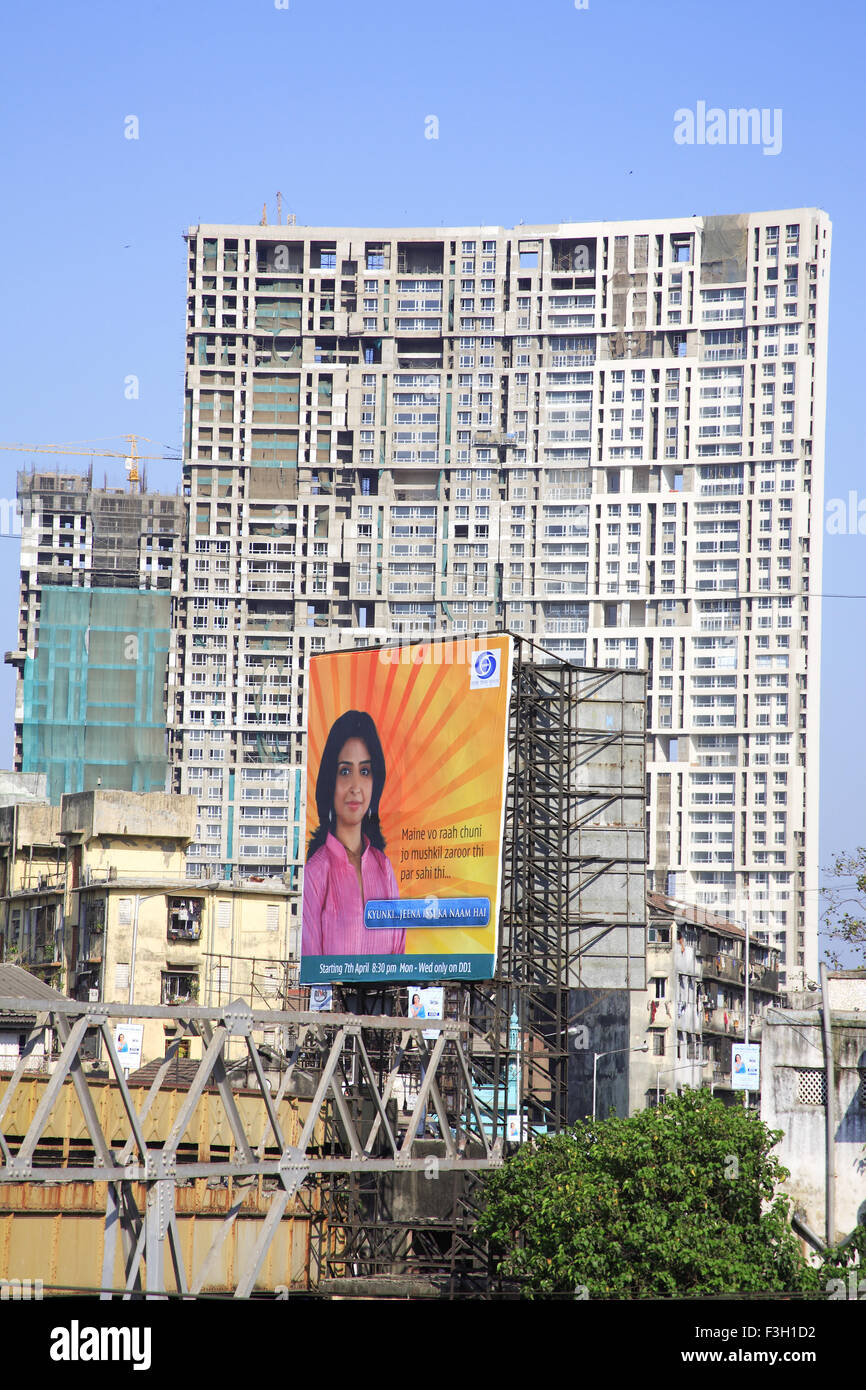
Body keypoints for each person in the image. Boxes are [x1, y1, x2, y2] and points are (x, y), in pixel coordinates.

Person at [302, 710, 404, 957]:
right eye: (345, 771)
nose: (356, 787)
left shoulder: (384, 868)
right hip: (333, 997)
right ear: (330, 781)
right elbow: (314, 968)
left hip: (385, 996)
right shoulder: (316, 874)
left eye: (365, 771)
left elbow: (399, 956)